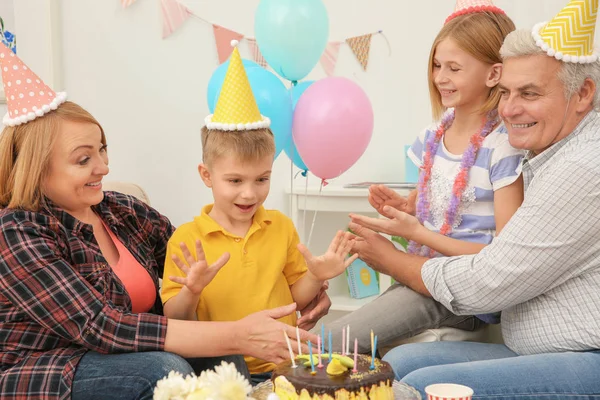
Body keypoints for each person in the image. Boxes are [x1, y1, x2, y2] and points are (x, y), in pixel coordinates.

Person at [0, 42, 323, 400]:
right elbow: (101, 326)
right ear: (36, 168)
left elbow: (206, 256)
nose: (104, 167)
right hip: (47, 368)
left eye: (102, 150)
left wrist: (309, 290)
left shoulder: (122, 210)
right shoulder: (16, 231)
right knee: (166, 370)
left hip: (128, 354)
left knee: (224, 359)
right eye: (83, 159)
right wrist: (238, 332)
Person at [349, 0, 600, 398]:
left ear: (584, 93)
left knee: (418, 386)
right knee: (397, 364)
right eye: (506, 93)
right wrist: (410, 209)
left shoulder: (582, 168)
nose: (510, 109)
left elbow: (489, 281)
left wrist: (394, 259)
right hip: (530, 345)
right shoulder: (545, 150)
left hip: (586, 355)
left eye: (529, 93)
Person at [327, 0, 524, 352]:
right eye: (436, 65)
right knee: (354, 341)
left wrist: (416, 232)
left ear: (493, 74)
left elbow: (503, 256)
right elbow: (430, 215)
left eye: (454, 68)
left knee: (335, 339)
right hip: (419, 275)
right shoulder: (430, 138)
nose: (440, 78)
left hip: (462, 292)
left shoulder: (502, 148)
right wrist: (404, 210)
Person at [160, 41, 357, 384]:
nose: (249, 193)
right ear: (206, 175)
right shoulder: (187, 240)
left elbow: (296, 299)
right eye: (234, 180)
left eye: (262, 179)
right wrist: (191, 291)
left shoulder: (279, 227)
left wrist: (317, 274)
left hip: (285, 364)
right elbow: (175, 323)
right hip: (221, 373)